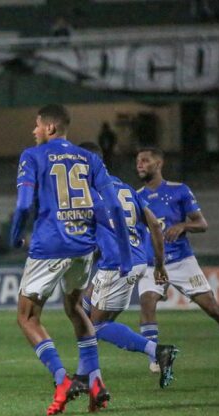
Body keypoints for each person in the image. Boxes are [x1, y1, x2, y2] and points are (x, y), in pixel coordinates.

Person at [9, 104, 133, 416]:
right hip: (82, 247)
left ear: (50, 128)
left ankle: (62, 379)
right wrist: (125, 254)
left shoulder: (33, 155)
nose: (33, 131)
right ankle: (94, 382)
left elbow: (24, 205)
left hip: (50, 245)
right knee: (76, 308)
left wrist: (14, 234)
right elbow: (114, 208)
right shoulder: (90, 158)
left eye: (37, 125)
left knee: (27, 317)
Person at [135, 147, 219, 371]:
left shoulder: (179, 191)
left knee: (212, 308)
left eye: (145, 160)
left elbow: (202, 223)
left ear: (158, 164)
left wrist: (182, 225)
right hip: (152, 263)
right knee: (147, 302)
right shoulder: (136, 196)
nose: (139, 164)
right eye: (137, 161)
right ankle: (155, 359)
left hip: (182, 261)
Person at [77, 142, 179, 389]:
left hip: (118, 264)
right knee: (83, 306)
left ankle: (157, 351)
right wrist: (159, 265)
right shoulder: (123, 187)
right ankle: (83, 374)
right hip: (134, 260)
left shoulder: (89, 190)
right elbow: (154, 225)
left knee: (97, 325)